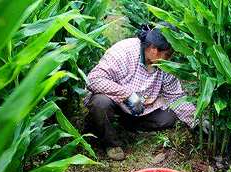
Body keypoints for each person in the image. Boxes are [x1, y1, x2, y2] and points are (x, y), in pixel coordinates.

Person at [84, 22, 196, 161]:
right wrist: (128, 95)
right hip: (116, 102)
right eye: (168, 54)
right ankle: (111, 143)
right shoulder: (124, 52)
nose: (169, 59)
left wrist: (195, 120)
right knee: (100, 103)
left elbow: (175, 96)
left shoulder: (165, 65)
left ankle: (127, 124)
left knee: (169, 117)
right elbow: (93, 80)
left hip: (142, 107)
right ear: (154, 50)